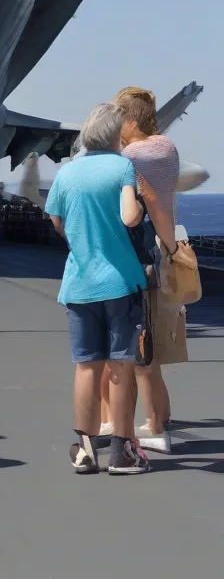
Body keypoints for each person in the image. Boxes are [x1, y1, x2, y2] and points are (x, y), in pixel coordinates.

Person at [44, 103, 149, 475]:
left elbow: (57, 221)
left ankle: (85, 449)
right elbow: (128, 216)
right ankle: (121, 452)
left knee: (86, 367)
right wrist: (137, 204)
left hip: (79, 284)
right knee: (122, 365)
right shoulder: (122, 166)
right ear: (114, 135)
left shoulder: (67, 173)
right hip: (120, 282)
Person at [103, 87, 183, 454]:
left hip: (137, 255)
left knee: (139, 349)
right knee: (152, 343)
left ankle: (151, 426)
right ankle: (158, 420)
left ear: (131, 121)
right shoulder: (167, 147)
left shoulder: (130, 157)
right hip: (163, 252)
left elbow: (136, 203)